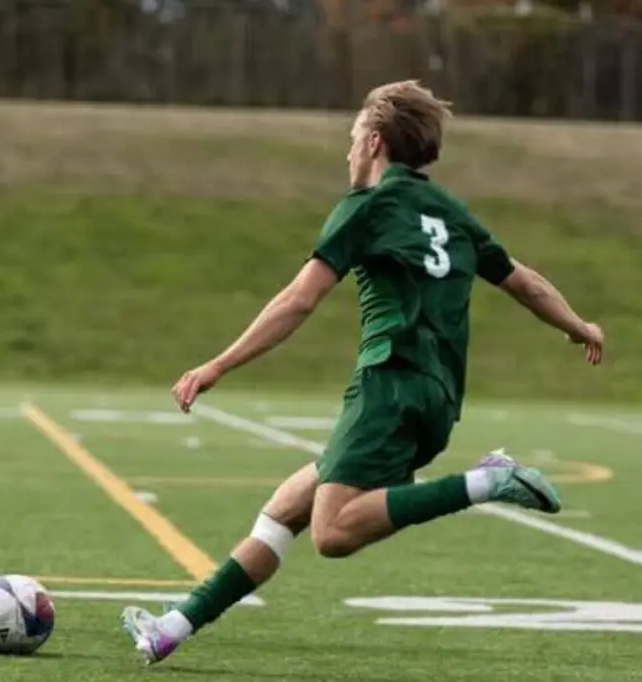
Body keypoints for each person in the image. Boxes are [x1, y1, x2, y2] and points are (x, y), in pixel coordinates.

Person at [119, 80, 604, 665]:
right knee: (286, 509)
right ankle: (174, 626)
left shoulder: (367, 207)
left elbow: (298, 301)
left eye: (351, 140)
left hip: (388, 384)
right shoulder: (452, 212)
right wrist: (579, 326)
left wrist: (217, 364)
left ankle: (487, 481)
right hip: (439, 398)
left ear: (373, 142)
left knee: (333, 533)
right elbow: (525, 281)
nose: (347, 152)